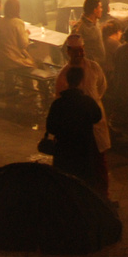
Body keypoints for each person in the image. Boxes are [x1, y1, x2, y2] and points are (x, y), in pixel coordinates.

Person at [45, 65, 106, 194]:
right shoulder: (87, 102)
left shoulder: (59, 103)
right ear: (81, 81)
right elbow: (97, 117)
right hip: (84, 149)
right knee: (83, 183)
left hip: (64, 150)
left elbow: (51, 126)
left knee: (65, 184)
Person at [55, 35, 112, 170]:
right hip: (76, 127)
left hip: (95, 122)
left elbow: (102, 87)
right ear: (68, 52)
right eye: (75, 51)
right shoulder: (63, 75)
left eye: (81, 50)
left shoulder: (94, 67)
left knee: (98, 160)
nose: (79, 54)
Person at [0, 0, 35, 72]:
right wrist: (26, 34)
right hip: (13, 60)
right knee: (35, 62)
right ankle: (29, 84)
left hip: (0, 59)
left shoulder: (0, 21)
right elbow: (23, 44)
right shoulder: (17, 22)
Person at [76, 0, 109, 70]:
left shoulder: (96, 22)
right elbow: (66, 48)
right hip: (89, 69)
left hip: (100, 67)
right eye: (100, 7)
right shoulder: (80, 27)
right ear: (94, 10)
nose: (102, 10)